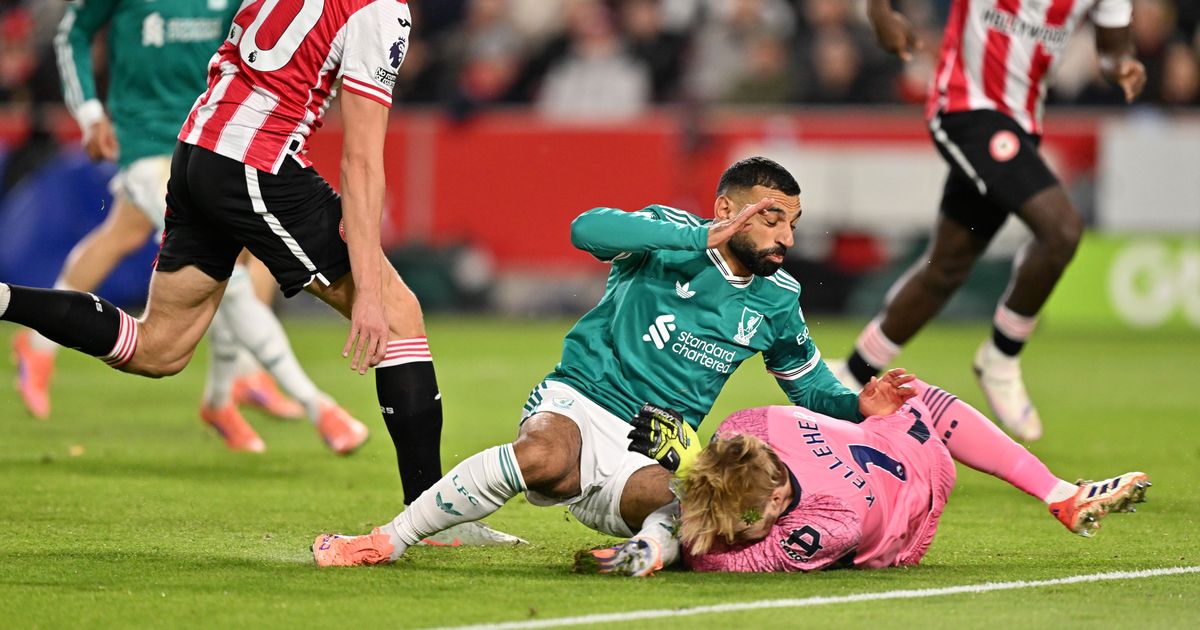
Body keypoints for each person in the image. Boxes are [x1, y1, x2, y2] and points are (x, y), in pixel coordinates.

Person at [0, 0, 516, 545]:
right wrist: (366, 289)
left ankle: (6, 300)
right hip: (256, 162)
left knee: (161, 347)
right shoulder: (380, 10)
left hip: (197, 148)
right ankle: (430, 519)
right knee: (397, 313)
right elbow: (361, 162)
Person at [309, 157, 912, 572]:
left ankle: (643, 556)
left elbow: (809, 386)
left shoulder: (779, 301)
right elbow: (585, 229)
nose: (785, 236)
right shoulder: (670, 235)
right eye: (771, 217)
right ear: (729, 208)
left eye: (793, 224)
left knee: (704, 504)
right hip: (580, 400)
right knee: (541, 457)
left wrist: (859, 405)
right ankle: (388, 540)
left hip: (654, 443)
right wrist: (699, 237)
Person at [9, 0, 368, 455]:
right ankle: (312, 402)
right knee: (222, 272)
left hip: (206, 134)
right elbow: (73, 34)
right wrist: (91, 114)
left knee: (152, 240)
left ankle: (223, 391)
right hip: (143, 140)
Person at [831, 0, 1148, 441]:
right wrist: (880, 14)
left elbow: (1113, 48)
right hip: (965, 108)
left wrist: (1123, 66)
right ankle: (1002, 355)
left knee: (946, 268)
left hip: (1020, 126)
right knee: (1062, 230)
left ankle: (852, 371)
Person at [674, 380, 1149, 572]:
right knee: (904, 391)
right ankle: (1059, 492)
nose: (738, 527)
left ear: (778, 501)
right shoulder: (750, 423)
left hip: (920, 495)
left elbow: (720, 561)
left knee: (903, 394)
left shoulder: (829, 525)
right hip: (888, 437)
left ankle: (1061, 493)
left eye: (748, 516)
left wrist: (665, 540)